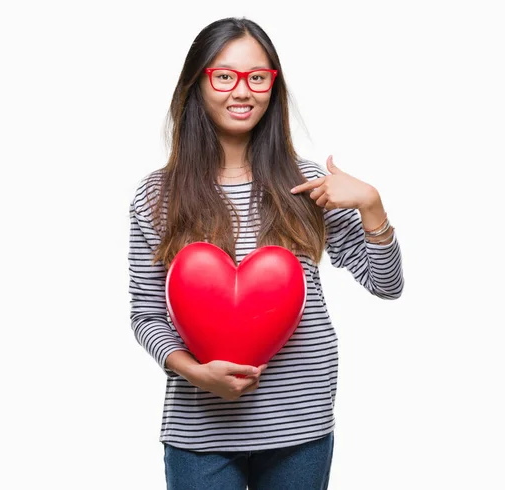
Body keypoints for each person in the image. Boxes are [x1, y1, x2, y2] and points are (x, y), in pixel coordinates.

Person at [128, 16, 404, 490]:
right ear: (197, 84)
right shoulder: (157, 195)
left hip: (301, 424)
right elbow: (147, 315)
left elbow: (387, 285)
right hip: (201, 430)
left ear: (272, 87)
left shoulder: (307, 183)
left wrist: (372, 206)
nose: (243, 91)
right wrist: (197, 373)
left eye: (258, 77)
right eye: (225, 76)